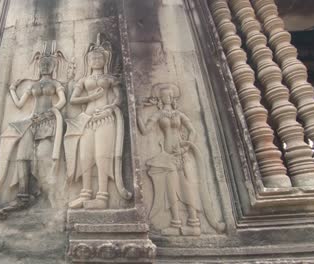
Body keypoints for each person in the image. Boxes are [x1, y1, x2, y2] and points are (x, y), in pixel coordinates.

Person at [137, 83, 224, 236]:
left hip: (182, 153)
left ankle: (194, 223)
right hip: (167, 156)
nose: (168, 98)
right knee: (171, 189)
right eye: (164, 96)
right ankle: (176, 223)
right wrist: (137, 110)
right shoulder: (159, 115)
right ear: (160, 98)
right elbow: (144, 130)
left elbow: (192, 131)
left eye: (170, 95)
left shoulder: (179, 114)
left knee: (187, 187)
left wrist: (185, 148)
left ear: (173, 97)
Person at [0, 42, 66, 212]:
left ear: (53, 66)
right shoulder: (33, 85)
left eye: (48, 64)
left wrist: (54, 110)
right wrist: (12, 89)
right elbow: (19, 104)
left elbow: (62, 100)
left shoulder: (55, 84)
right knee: (22, 157)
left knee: (43, 157)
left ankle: (47, 194)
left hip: (48, 121)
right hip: (32, 122)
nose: (45, 66)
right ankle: (23, 196)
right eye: (42, 64)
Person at [65, 33, 131, 210]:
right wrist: (91, 97)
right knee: (85, 156)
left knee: (102, 156)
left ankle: (102, 196)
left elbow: (119, 98)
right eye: (92, 58)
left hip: (106, 119)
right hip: (87, 120)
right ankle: (85, 192)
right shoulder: (84, 80)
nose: (95, 60)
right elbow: (73, 99)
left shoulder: (110, 79)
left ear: (105, 60)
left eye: (99, 57)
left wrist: (109, 108)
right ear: (88, 61)